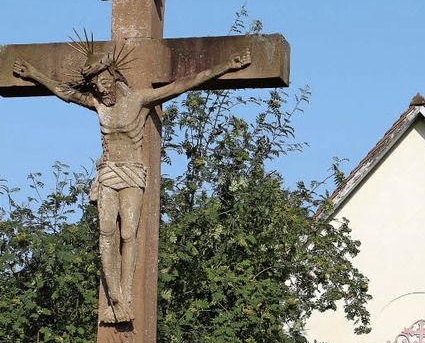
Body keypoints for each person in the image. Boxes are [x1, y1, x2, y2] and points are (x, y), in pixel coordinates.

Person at [13, 45, 251, 323]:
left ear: (113, 77)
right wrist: (34, 74)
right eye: (95, 84)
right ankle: (115, 297)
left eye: (103, 81)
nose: (100, 89)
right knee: (105, 232)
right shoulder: (99, 105)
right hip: (108, 173)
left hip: (132, 174)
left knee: (127, 234)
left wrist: (225, 66)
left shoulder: (138, 100)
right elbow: (65, 93)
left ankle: (126, 294)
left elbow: (180, 85)